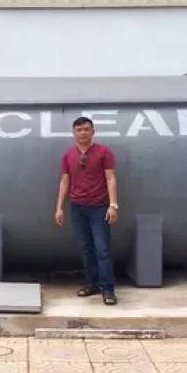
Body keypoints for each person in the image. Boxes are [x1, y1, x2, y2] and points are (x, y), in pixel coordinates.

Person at [54, 116, 119, 305]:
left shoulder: (103, 152)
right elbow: (64, 181)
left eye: (86, 129)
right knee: (85, 249)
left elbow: (111, 178)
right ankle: (91, 284)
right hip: (77, 207)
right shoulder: (69, 155)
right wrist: (59, 207)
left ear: (93, 131)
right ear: (74, 133)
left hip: (99, 207)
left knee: (102, 249)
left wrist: (113, 205)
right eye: (79, 130)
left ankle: (108, 289)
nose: (83, 133)